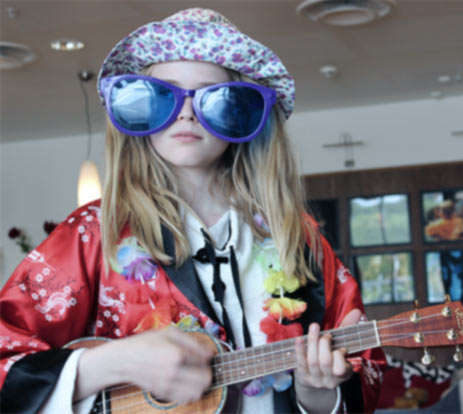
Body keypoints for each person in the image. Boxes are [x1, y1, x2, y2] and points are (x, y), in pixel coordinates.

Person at [0, 8, 385, 414]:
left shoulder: (297, 237)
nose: (185, 113)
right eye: (162, 96)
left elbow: (361, 372)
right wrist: (113, 362)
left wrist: (318, 391)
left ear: (242, 113)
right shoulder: (95, 232)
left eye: (213, 98)